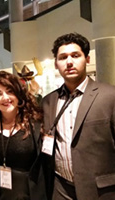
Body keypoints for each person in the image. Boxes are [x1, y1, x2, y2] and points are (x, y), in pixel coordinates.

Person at [42, 32, 115, 200]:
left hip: (102, 192)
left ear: (87, 59)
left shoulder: (110, 96)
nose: (69, 62)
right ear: (56, 63)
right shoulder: (48, 101)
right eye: (63, 57)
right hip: (60, 190)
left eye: (75, 55)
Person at [0, 71, 46, 200]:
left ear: (18, 94)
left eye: (10, 91)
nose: (5, 98)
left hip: (30, 195)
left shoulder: (36, 125)